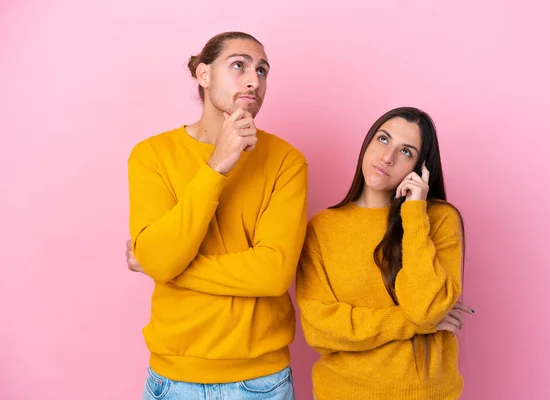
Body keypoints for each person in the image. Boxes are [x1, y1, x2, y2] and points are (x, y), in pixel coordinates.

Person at [125, 31, 307, 400]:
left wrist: (169, 267)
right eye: (239, 65)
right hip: (172, 380)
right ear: (203, 75)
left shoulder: (287, 161)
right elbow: (160, 258)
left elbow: (273, 273)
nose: (254, 80)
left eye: (262, 70)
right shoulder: (151, 156)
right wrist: (217, 166)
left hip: (263, 382)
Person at [295, 107, 474, 400]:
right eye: (383, 139)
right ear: (367, 143)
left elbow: (425, 307)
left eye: (406, 152)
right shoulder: (322, 228)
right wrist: (414, 324)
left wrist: (415, 213)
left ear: (420, 168)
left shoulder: (438, 219)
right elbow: (321, 330)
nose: (387, 158)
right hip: (343, 393)